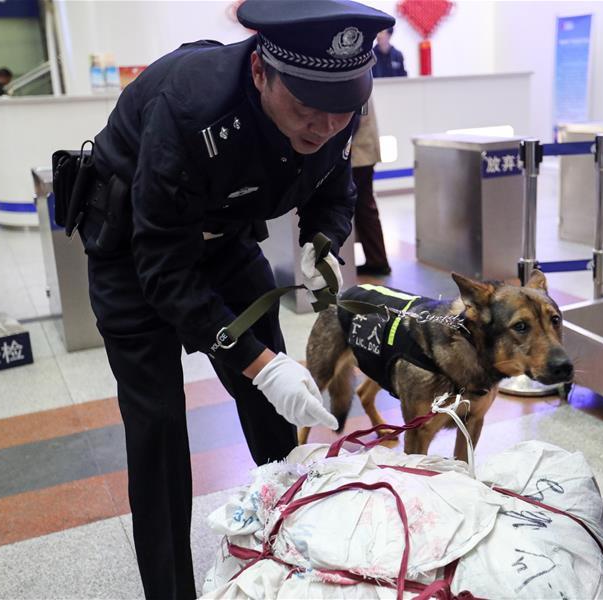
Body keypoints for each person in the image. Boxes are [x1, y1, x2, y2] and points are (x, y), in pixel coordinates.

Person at [79, 1, 394, 597]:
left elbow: (335, 187)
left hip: (225, 239)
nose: (324, 126)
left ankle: (291, 552)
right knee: (158, 426)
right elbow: (164, 272)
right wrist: (259, 363)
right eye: (305, 109)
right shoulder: (190, 107)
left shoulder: (337, 102)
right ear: (259, 72)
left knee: (274, 406)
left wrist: (322, 240)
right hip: (133, 246)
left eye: (340, 112)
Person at [351, 96, 391, 276]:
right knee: (364, 207)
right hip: (363, 151)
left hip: (358, 153)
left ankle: (377, 260)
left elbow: (355, 119)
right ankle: (376, 259)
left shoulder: (354, 83)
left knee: (363, 207)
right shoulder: (360, 81)